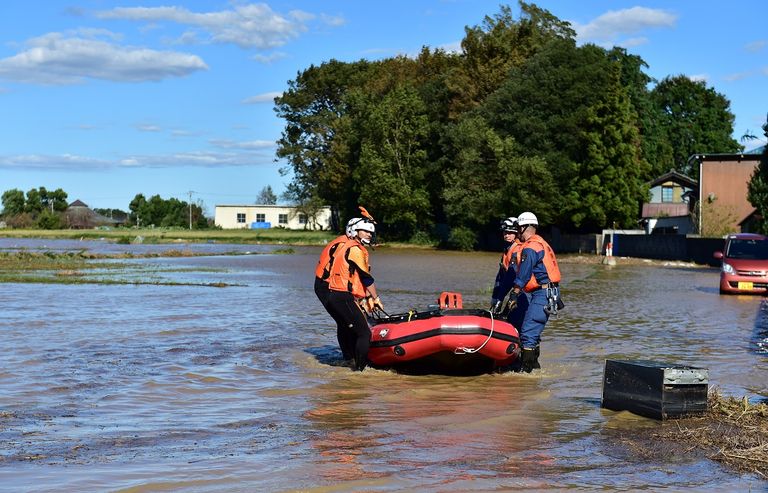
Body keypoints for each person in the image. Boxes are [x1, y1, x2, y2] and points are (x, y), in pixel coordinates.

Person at [325, 217, 383, 371]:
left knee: (351, 329)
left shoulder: (348, 247)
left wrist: (366, 298)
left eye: (371, 232)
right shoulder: (355, 250)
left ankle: (350, 360)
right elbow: (366, 278)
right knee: (364, 333)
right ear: (354, 231)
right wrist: (375, 298)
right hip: (341, 297)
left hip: (338, 296)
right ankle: (360, 370)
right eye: (365, 231)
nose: (369, 234)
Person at [508, 211, 562, 372]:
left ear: (525, 227)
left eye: (518, 228)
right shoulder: (541, 243)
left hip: (543, 294)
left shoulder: (531, 247)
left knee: (528, 333)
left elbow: (524, 274)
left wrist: (514, 294)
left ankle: (526, 373)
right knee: (531, 331)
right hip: (546, 293)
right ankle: (535, 368)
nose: (517, 232)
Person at [314, 219, 358, 361]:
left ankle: (349, 354)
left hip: (328, 284)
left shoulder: (348, 244)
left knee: (344, 321)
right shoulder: (344, 246)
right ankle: (349, 356)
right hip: (326, 285)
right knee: (344, 320)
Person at [490, 217, 529, 331]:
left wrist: (501, 298)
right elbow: (501, 277)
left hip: (525, 293)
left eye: (510, 233)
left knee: (519, 323)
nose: (506, 235)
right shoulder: (507, 251)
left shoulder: (519, 250)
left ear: (517, 234)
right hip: (516, 293)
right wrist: (495, 297)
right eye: (505, 233)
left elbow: (511, 276)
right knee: (507, 320)